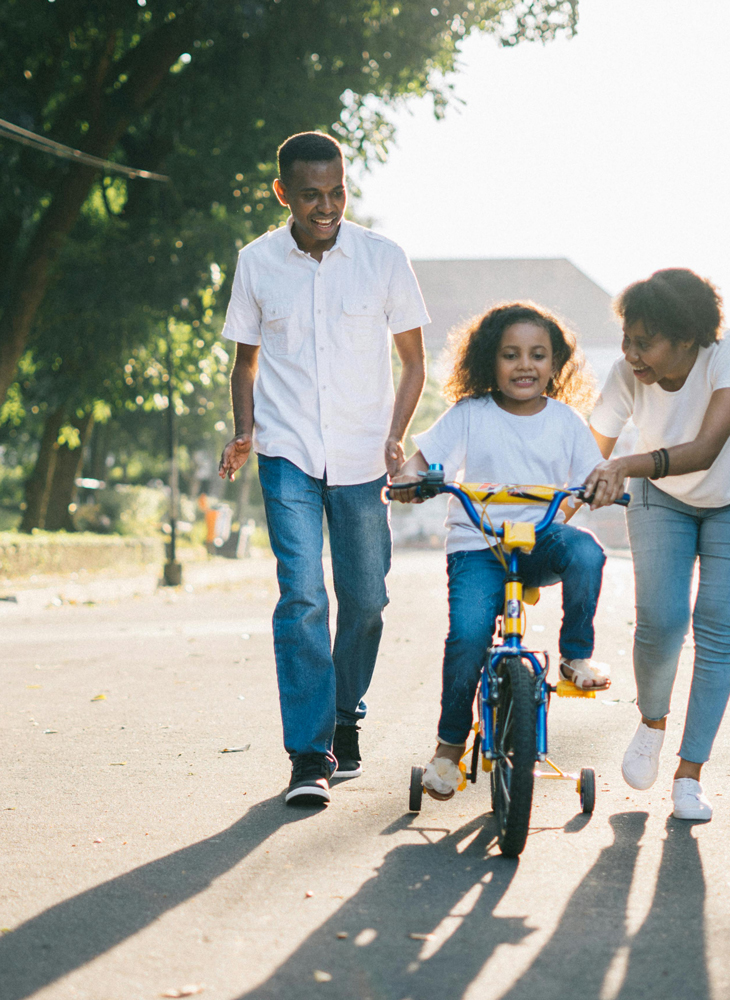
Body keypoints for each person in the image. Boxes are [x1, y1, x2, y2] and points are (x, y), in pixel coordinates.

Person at [218, 131, 430, 806]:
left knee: (366, 601)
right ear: (284, 193)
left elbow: (414, 361)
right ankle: (309, 755)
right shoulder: (256, 263)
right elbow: (245, 361)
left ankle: (345, 716)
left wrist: (397, 436)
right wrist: (245, 430)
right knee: (303, 596)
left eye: (337, 192)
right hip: (286, 454)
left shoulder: (383, 258)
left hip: (364, 456)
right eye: (311, 195)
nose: (327, 206)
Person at [392, 303, 610, 800]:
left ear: (555, 365)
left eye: (538, 355)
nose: (525, 365)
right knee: (468, 636)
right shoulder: (470, 414)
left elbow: (592, 475)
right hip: (478, 546)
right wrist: (409, 479)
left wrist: (600, 487)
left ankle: (576, 656)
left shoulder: (567, 422)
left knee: (588, 553)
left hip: (538, 541)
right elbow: (421, 461)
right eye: (511, 355)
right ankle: (449, 749)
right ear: (491, 361)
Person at [584, 268, 730, 822]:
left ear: (687, 338)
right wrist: (554, 510)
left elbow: (708, 448)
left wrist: (623, 464)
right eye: (627, 338)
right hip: (661, 498)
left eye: (644, 342)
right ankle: (651, 722)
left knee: (718, 627)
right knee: (662, 620)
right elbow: (586, 454)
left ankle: (690, 775)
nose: (630, 353)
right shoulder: (626, 375)